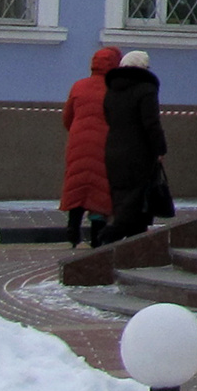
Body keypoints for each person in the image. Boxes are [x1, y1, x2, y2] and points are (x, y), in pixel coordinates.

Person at [101, 49, 167, 244]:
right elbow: (151, 123)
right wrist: (160, 149)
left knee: (121, 198)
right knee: (136, 201)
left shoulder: (112, 89)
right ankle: (110, 237)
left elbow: (109, 118)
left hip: (113, 151)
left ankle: (133, 247)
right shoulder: (146, 89)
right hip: (139, 154)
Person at [59, 46, 118, 248]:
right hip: (104, 144)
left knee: (78, 185)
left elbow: (67, 118)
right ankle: (96, 236)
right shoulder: (115, 89)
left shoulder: (79, 86)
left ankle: (73, 226)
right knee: (99, 191)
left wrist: (77, 132)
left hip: (78, 143)